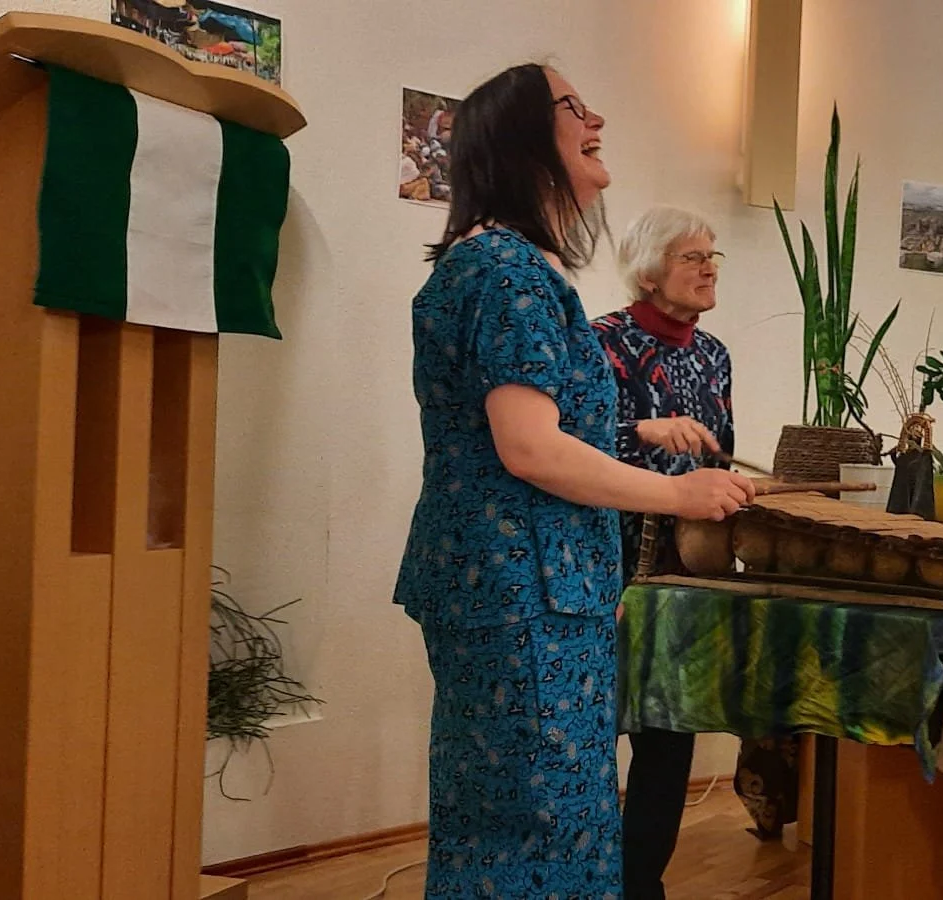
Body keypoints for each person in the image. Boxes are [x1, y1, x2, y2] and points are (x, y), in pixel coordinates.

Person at [392, 63, 755, 899]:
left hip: (536, 588)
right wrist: (678, 492)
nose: (596, 117)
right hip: (520, 592)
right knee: (538, 830)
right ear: (524, 140)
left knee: (525, 823)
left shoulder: (507, 268)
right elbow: (531, 450)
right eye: (570, 106)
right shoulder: (507, 273)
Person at [592, 207, 736, 900]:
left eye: (713, 256)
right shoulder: (600, 343)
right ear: (650, 273)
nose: (709, 267)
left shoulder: (714, 355)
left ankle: (640, 884)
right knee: (594, 733)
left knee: (667, 735)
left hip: (684, 576)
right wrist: (643, 429)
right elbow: (566, 446)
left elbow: (721, 449)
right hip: (605, 568)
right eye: (692, 257)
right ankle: (587, 880)